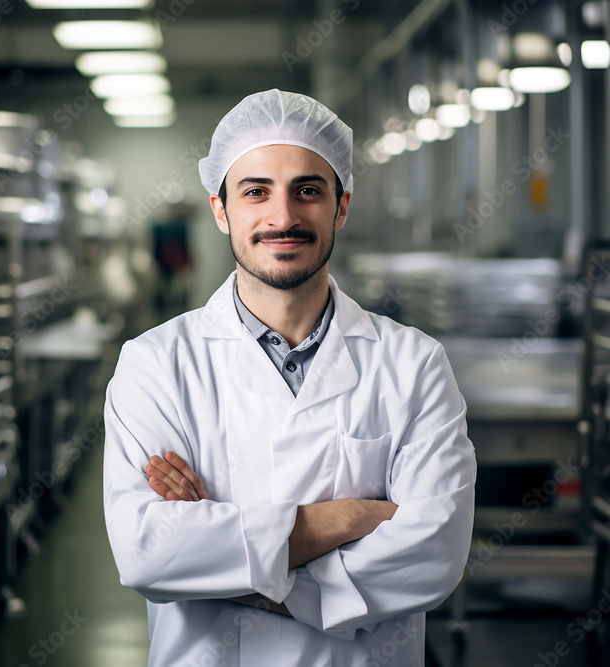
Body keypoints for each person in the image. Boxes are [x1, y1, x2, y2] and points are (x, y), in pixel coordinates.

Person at [102, 88, 476, 667]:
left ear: (341, 206)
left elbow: (434, 557)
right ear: (221, 209)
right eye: (256, 192)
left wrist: (224, 559)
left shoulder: (413, 363)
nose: (283, 217)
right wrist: (350, 517)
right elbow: (149, 553)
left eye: (308, 190)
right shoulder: (155, 363)